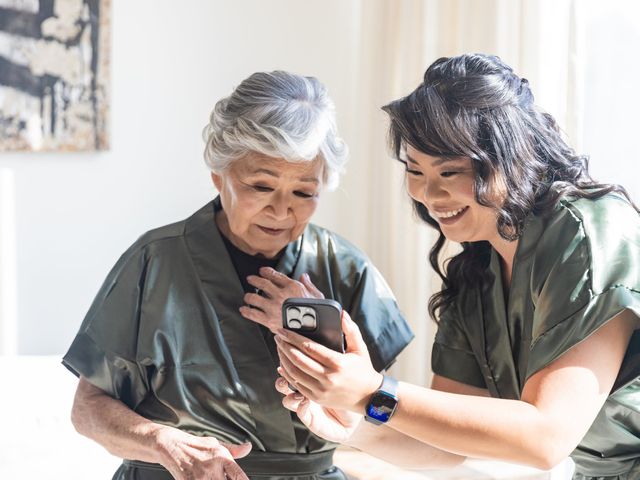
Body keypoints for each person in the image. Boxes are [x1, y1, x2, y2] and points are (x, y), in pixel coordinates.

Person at [263, 54, 640, 479]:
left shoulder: (588, 230)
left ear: (510, 157)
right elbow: (449, 449)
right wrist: (352, 423)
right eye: (415, 170)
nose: (429, 193)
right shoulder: (477, 269)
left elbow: (546, 437)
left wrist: (374, 390)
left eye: (450, 171)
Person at [62, 70, 415, 480]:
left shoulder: (345, 267)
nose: (282, 211)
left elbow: (388, 415)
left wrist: (316, 346)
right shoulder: (153, 261)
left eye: (304, 192)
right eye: (261, 187)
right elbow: (87, 409)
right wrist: (162, 443)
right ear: (219, 175)